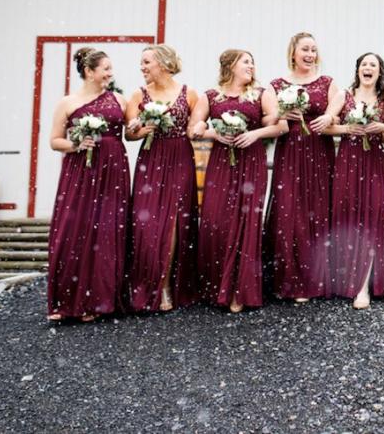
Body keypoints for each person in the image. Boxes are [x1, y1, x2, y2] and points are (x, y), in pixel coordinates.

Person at [190, 49, 281, 313]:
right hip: (221, 162)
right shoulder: (211, 96)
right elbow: (194, 128)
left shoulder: (262, 93)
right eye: (246, 62)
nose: (251, 66)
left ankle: (241, 291)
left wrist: (255, 134)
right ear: (230, 66)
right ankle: (218, 285)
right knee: (217, 220)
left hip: (251, 161)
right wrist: (212, 133)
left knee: (246, 223)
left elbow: (280, 125)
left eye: (253, 62)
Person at [47, 47, 129, 322]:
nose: (110, 73)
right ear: (89, 72)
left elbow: (130, 131)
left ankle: (98, 300)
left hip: (113, 171)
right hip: (80, 171)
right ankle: (67, 300)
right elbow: (54, 140)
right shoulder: (67, 103)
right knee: (74, 228)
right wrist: (75, 144)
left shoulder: (119, 99)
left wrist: (148, 122)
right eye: (105, 68)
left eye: (110, 68)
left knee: (106, 230)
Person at [124, 44, 200, 312]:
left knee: (175, 223)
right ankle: (145, 284)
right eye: (141, 63)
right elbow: (129, 134)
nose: (142, 67)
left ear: (164, 64)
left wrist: (202, 128)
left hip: (179, 158)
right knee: (146, 225)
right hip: (151, 159)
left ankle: (167, 285)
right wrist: (141, 127)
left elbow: (194, 129)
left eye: (146, 62)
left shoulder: (188, 93)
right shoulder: (138, 94)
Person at [263, 33, 339, 302]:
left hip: (319, 153)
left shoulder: (328, 83)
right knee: (289, 213)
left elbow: (337, 111)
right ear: (293, 52)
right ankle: (290, 280)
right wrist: (282, 114)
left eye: (314, 50)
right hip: (290, 152)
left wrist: (328, 116)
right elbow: (267, 117)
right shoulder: (275, 85)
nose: (310, 54)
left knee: (318, 211)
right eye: (305, 49)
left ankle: (317, 278)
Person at [328, 53, 384, 309]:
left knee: (372, 220)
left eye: (373, 65)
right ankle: (346, 280)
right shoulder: (344, 95)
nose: (368, 68)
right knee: (348, 218)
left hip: (375, 162)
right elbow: (325, 125)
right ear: (358, 70)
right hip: (348, 161)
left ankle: (364, 286)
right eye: (364, 64)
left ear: (379, 72)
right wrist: (347, 129)